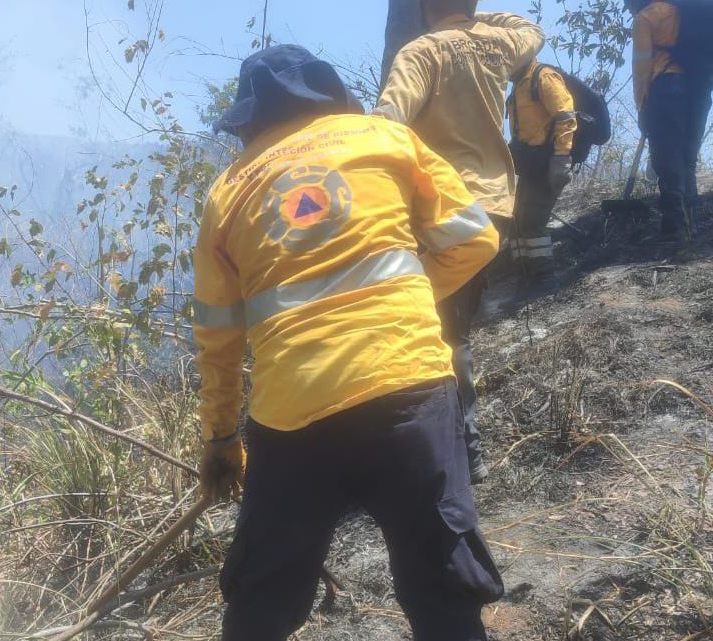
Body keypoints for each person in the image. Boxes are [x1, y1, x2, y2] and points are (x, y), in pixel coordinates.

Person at [194, 44, 504, 641]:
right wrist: (408, 289)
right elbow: (475, 238)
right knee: (444, 591)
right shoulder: (383, 139)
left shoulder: (227, 192)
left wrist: (220, 439)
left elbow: (218, 338)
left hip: (292, 417)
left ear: (248, 117)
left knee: (261, 603)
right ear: (329, 94)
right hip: (407, 387)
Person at [375, 0, 545, 483]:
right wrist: (475, 21)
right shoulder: (501, 44)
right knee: (454, 327)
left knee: (437, 329)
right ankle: (455, 445)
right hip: (494, 208)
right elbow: (532, 28)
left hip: (442, 205)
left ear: (425, 8)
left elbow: (388, 122)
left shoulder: (422, 52)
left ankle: (461, 450)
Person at [628, 0, 713, 242]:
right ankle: (689, 222)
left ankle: (675, 225)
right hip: (698, 87)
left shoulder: (645, 18)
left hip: (665, 86)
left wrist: (641, 105)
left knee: (666, 157)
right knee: (687, 156)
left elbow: (641, 66)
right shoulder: (685, 9)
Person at [507, 58, 577, 294]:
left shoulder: (543, 77)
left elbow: (566, 116)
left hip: (547, 159)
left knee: (534, 220)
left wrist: (561, 158)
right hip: (528, 163)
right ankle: (524, 275)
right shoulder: (519, 85)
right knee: (517, 221)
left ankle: (545, 279)